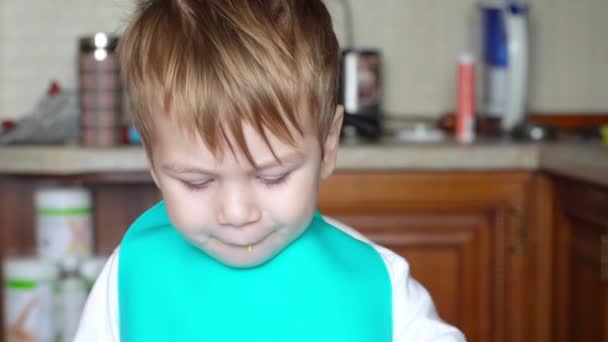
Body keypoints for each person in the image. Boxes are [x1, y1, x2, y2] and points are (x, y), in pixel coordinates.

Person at [74, 1, 466, 341]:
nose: (237, 213)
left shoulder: (378, 285)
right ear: (151, 160)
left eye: (272, 176)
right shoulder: (130, 275)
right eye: (197, 182)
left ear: (328, 145)